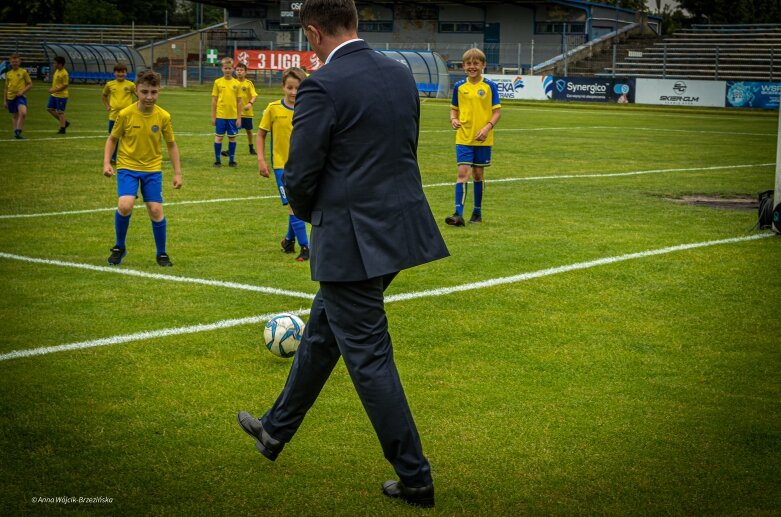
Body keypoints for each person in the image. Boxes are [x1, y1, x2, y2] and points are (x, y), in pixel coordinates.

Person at [236, 0, 449, 509]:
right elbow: (404, 149)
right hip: (398, 232)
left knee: (369, 358)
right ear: (354, 22)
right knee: (323, 331)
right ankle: (274, 430)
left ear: (313, 32)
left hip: (353, 241)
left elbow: (301, 175)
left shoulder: (321, 84)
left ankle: (415, 477)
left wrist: (313, 217)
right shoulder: (400, 74)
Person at [103, 70, 182, 267]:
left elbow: (171, 144)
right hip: (127, 166)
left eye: (153, 92)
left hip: (152, 169)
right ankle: (119, 247)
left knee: (155, 210)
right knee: (125, 205)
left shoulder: (163, 116)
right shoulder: (125, 114)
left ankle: (162, 254)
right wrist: (106, 163)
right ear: (136, 91)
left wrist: (177, 173)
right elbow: (113, 139)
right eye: (144, 91)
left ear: (159, 92)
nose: (149, 96)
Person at [256, 67, 310, 262]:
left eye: (298, 88)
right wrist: (261, 159)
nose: (294, 92)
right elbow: (261, 134)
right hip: (282, 166)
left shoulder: (308, 108)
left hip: (304, 166)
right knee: (293, 206)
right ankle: (306, 247)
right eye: (290, 88)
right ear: (283, 87)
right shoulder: (273, 108)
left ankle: (288, 240)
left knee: (296, 205)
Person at [445, 48, 501, 227]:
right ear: (463, 66)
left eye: (476, 63)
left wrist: (487, 128)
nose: (472, 67)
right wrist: (453, 119)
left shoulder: (489, 86)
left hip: (483, 139)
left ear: (483, 65)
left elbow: (497, 112)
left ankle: (477, 212)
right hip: (463, 137)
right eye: (468, 64)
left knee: (478, 175)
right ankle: (458, 214)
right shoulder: (459, 87)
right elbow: (454, 108)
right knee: (462, 173)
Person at [102, 63, 136, 164]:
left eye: (123, 72)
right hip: (114, 116)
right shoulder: (109, 84)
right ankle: (113, 158)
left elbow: (139, 96)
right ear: (114, 73)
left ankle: (127, 157)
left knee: (129, 137)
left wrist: (135, 108)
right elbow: (104, 96)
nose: (120, 74)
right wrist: (107, 106)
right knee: (113, 137)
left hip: (128, 116)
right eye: (118, 72)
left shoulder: (130, 85)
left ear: (126, 73)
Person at [211, 57, 242, 167]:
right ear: (222, 69)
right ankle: (217, 160)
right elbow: (214, 100)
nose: (227, 70)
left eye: (229, 68)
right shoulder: (217, 82)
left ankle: (231, 161)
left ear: (233, 69)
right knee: (219, 137)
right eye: (225, 68)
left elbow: (239, 102)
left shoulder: (237, 83)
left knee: (232, 137)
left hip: (232, 116)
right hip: (220, 115)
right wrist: (213, 116)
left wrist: (239, 118)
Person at [4, 53, 32, 139]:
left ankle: (18, 131)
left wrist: (22, 91)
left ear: (19, 62)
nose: (15, 63)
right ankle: (17, 134)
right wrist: (4, 101)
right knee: (14, 115)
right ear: (10, 62)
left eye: (16, 62)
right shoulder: (8, 74)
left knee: (23, 113)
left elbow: (30, 84)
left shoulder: (23, 72)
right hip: (10, 97)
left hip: (20, 96)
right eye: (13, 62)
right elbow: (6, 88)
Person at [47, 56, 70, 134]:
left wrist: (54, 90)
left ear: (60, 64)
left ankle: (62, 128)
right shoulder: (56, 71)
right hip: (54, 95)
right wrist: (53, 90)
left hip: (61, 96)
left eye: (55, 63)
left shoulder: (64, 73)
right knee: (49, 109)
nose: (54, 64)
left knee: (60, 112)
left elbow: (65, 85)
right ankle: (65, 122)